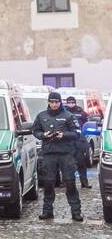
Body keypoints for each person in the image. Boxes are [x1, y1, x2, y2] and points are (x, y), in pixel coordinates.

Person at [34, 91, 83, 221]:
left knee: (70, 182)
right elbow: (35, 131)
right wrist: (43, 135)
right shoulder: (41, 116)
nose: (54, 104)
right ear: (49, 102)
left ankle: (76, 212)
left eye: (56, 102)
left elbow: (77, 133)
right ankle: (47, 211)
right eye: (52, 102)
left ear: (60, 102)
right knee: (48, 183)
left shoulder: (69, 116)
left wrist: (64, 135)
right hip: (49, 154)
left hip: (66, 154)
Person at [64, 96, 91, 188]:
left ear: (75, 102)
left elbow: (86, 124)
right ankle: (67, 183)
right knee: (67, 163)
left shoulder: (81, 113)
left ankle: (84, 182)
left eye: (72, 102)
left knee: (81, 162)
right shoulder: (63, 113)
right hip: (67, 141)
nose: (71, 104)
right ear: (66, 103)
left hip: (79, 140)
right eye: (69, 102)